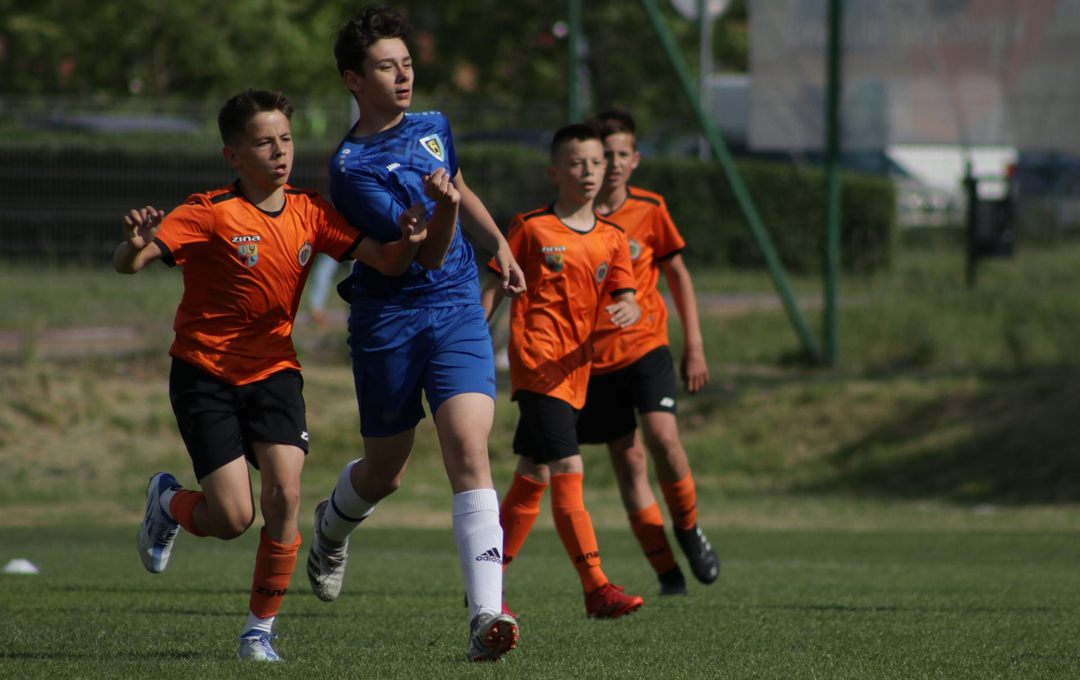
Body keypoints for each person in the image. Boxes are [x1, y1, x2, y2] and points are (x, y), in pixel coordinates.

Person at [118, 88, 426, 662]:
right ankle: (169, 502)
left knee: (285, 494)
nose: (280, 151)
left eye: (285, 139)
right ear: (233, 155)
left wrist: (408, 241)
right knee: (233, 518)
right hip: (204, 374)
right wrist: (133, 246)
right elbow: (133, 262)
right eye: (264, 142)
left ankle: (258, 632)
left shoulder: (312, 211)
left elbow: (386, 260)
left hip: (275, 371)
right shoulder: (209, 211)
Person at [303, 5, 526, 663]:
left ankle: (486, 615)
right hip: (390, 321)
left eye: (405, 63)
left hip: (456, 309)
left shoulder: (434, 125)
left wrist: (497, 241)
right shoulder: (351, 169)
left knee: (468, 447)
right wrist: (448, 213)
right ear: (353, 79)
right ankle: (330, 529)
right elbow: (414, 258)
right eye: (385, 67)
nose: (402, 76)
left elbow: (457, 185)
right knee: (385, 472)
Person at [482, 123, 646, 619]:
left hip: (577, 373)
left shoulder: (613, 238)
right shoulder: (531, 227)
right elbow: (493, 285)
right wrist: (470, 337)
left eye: (596, 162)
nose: (589, 171)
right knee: (568, 470)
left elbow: (627, 294)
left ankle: (485, 584)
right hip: (537, 366)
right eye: (577, 163)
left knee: (532, 474)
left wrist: (630, 308)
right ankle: (597, 587)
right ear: (555, 172)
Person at [577, 109, 719, 596]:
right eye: (605, 155)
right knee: (630, 462)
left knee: (662, 439)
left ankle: (688, 528)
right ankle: (666, 572)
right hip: (595, 361)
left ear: (635, 159)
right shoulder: (572, 218)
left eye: (622, 154)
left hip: (646, 347)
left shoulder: (650, 209)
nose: (613, 163)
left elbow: (678, 275)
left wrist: (694, 345)